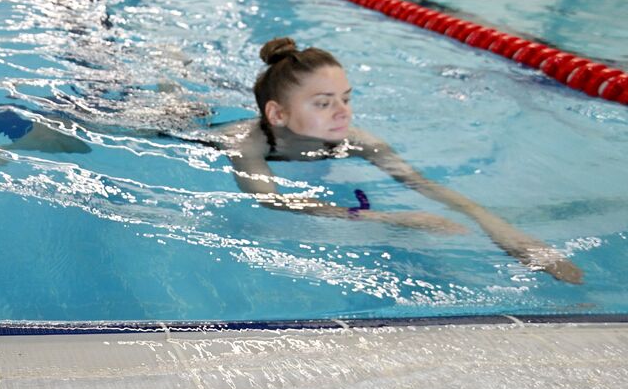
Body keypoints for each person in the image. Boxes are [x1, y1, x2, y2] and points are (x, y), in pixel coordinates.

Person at [219, 37, 583, 283]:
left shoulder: (357, 140)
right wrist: (391, 218)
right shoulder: (245, 145)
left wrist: (503, 230)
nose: (343, 112)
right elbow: (273, 200)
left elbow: (421, 183)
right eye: (323, 103)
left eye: (346, 98)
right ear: (278, 114)